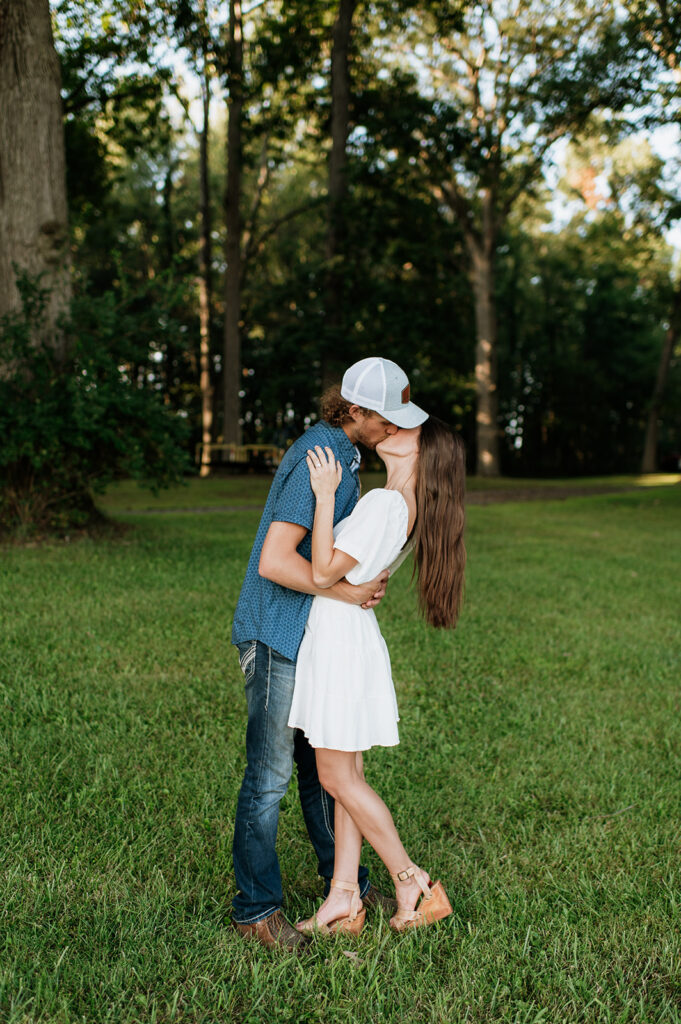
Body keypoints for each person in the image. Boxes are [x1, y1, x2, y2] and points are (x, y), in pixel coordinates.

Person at [231, 357, 429, 950]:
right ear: (357, 412)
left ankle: (345, 887)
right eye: (386, 420)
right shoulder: (326, 459)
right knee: (269, 778)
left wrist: (358, 576)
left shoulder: (346, 462)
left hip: (310, 635)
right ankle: (257, 909)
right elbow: (274, 561)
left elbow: (336, 552)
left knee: (325, 773)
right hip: (275, 632)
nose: (392, 430)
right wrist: (348, 588)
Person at [287, 414, 466, 934]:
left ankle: (413, 881)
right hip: (349, 639)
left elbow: (322, 573)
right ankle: (344, 897)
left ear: (423, 452)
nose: (390, 431)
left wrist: (324, 495)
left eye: (406, 431)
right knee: (350, 779)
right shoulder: (397, 505)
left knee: (335, 776)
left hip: (342, 644)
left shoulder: (386, 503)